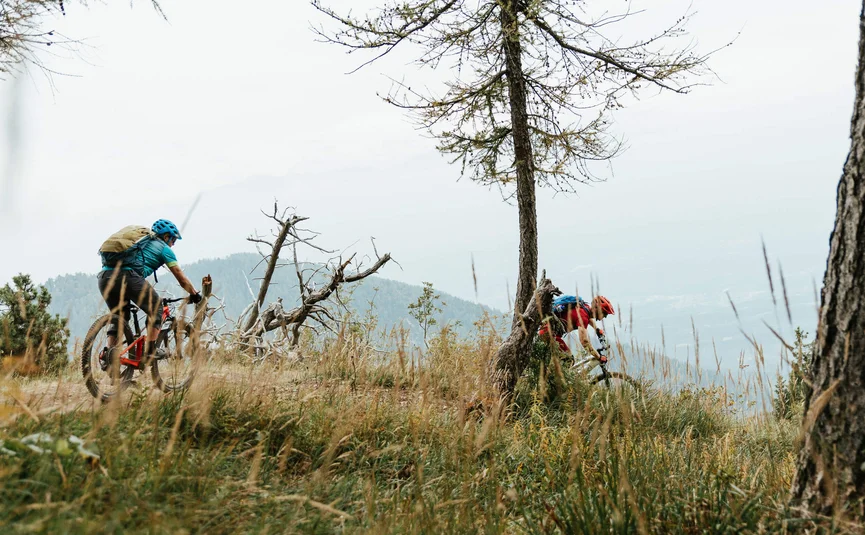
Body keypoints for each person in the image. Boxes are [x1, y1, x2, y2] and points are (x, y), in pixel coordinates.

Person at [97, 219, 200, 363]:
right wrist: (194, 294)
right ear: (166, 237)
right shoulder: (164, 249)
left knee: (120, 315)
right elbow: (181, 278)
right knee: (156, 307)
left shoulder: (141, 244)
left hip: (104, 277)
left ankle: (109, 354)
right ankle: (151, 350)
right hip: (127, 276)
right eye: (173, 239)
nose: (173, 244)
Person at [539, 295, 615, 362]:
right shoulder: (583, 317)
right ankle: (552, 377)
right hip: (549, 335)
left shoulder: (585, 307)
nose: (604, 317)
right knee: (569, 360)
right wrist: (599, 357)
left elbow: (588, 318)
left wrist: (597, 329)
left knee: (563, 358)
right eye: (604, 314)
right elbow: (584, 342)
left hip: (546, 330)